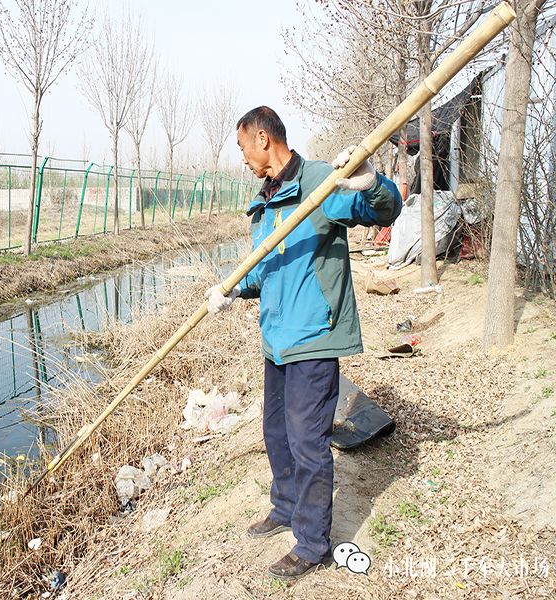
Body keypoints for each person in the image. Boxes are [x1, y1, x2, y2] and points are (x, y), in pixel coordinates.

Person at [205, 106, 402, 581]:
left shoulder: (320, 182)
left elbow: (384, 210)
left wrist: (371, 183)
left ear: (264, 139)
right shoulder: (267, 199)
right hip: (276, 339)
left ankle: (313, 542)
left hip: (314, 335)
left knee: (308, 441)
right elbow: (262, 269)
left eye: (242, 147)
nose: (243, 158)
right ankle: (287, 506)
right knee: (276, 433)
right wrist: (230, 289)